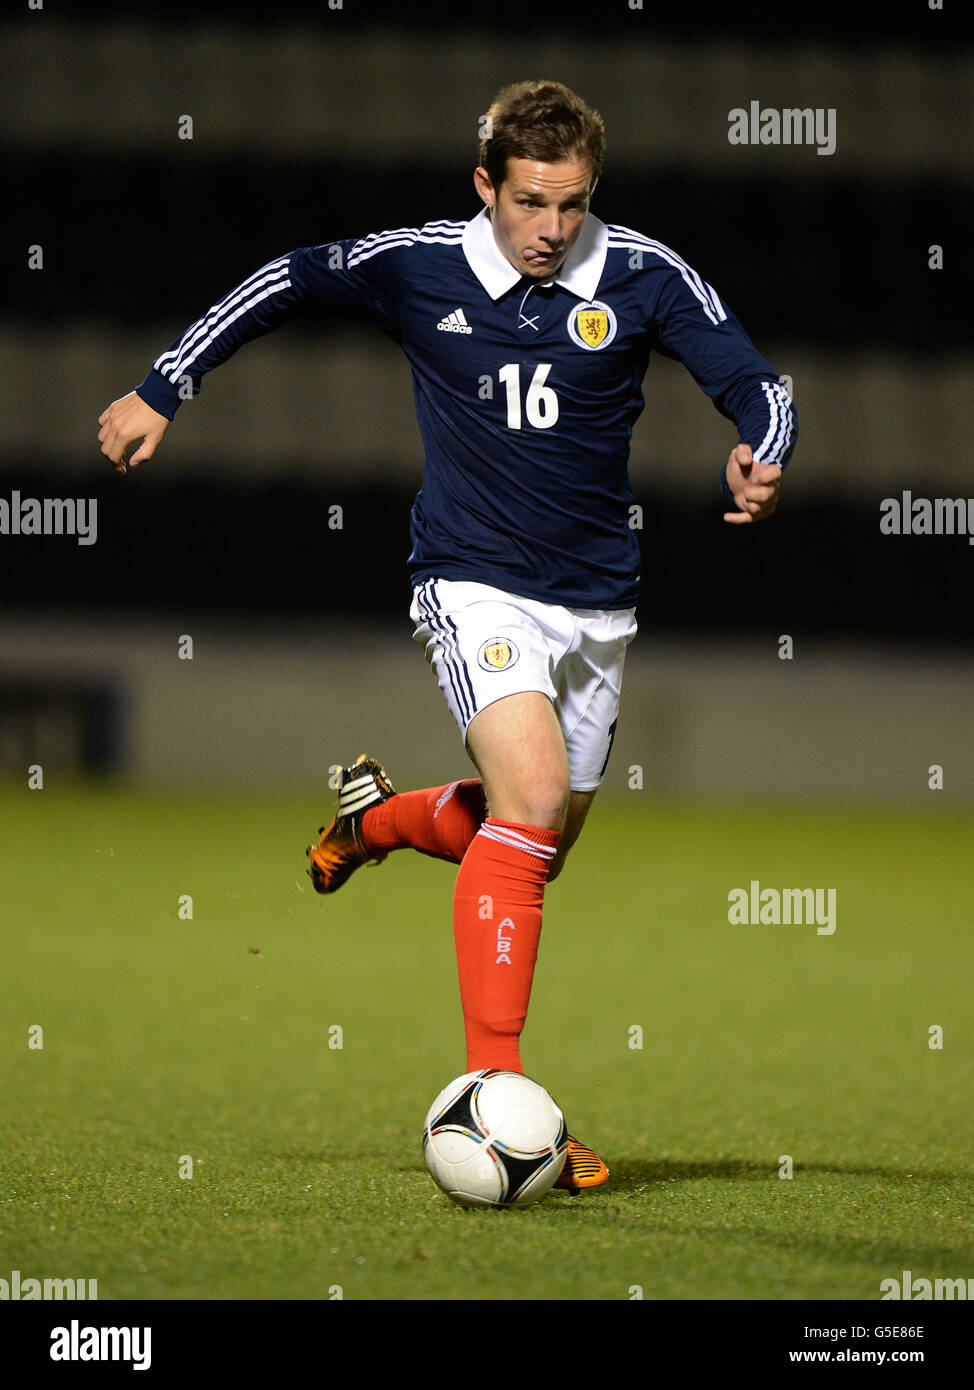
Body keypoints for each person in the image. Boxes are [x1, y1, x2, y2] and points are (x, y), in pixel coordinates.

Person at [98, 80, 796, 1194]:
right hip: (472, 584)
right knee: (524, 810)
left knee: (531, 848)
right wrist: (160, 387)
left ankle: (378, 821)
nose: (550, 229)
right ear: (485, 185)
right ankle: (500, 1097)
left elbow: (759, 385)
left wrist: (762, 455)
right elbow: (283, 279)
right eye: (528, 202)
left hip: (596, 605)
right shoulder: (422, 263)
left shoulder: (642, 275)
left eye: (570, 204)